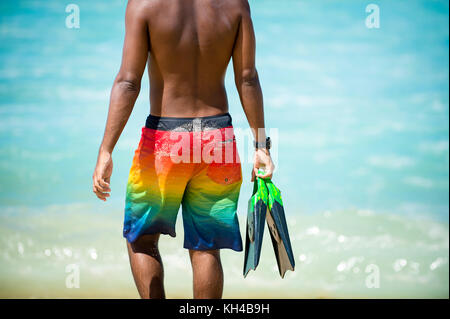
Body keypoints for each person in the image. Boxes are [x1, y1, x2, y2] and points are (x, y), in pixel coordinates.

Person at [92, 0, 274, 299]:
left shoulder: (144, 5)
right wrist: (261, 145)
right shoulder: (236, 5)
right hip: (218, 139)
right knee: (206, 247)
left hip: (165, 139)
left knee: (142, 239)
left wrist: (106, 149)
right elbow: (248, 78)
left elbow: (128, 81)